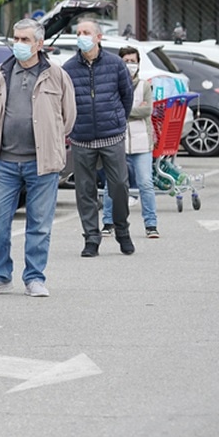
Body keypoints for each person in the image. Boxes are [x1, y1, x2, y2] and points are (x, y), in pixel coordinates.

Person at [0, 18, 75, 298]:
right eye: (16, 39)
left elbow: (68, 117)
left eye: (25, 40)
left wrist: (50, 140)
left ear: (39, 44)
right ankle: (0, 274)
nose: (19, 45)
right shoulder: (2, 72)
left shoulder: (55, 74)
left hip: (41, 163)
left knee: (39, 224)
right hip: (5, 161)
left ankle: (34, 277)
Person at [63, 18, 135, 258]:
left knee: (119, 186)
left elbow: (127, 96)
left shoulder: (115, 64)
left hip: (111, 136)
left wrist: (117, 120)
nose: (81, 36)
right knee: (85, 191)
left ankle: (122, 231)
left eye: (86, 32)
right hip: (82, 137)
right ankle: (91, 238)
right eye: (78, 32)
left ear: (98, 37)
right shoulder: (69, 67)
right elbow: (65, 102)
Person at [100, 46, 160, 240]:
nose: (130, 65)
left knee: (145, 183)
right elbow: (109, 110)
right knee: (113, 184)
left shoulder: (144, 86)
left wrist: (124, 110)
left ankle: (151, 224)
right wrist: (133, 108)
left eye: (133, 61)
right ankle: (108, 222)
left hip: (142, 143)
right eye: (126, 61)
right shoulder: (112, 85)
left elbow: (147, 111)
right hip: (117, 141)